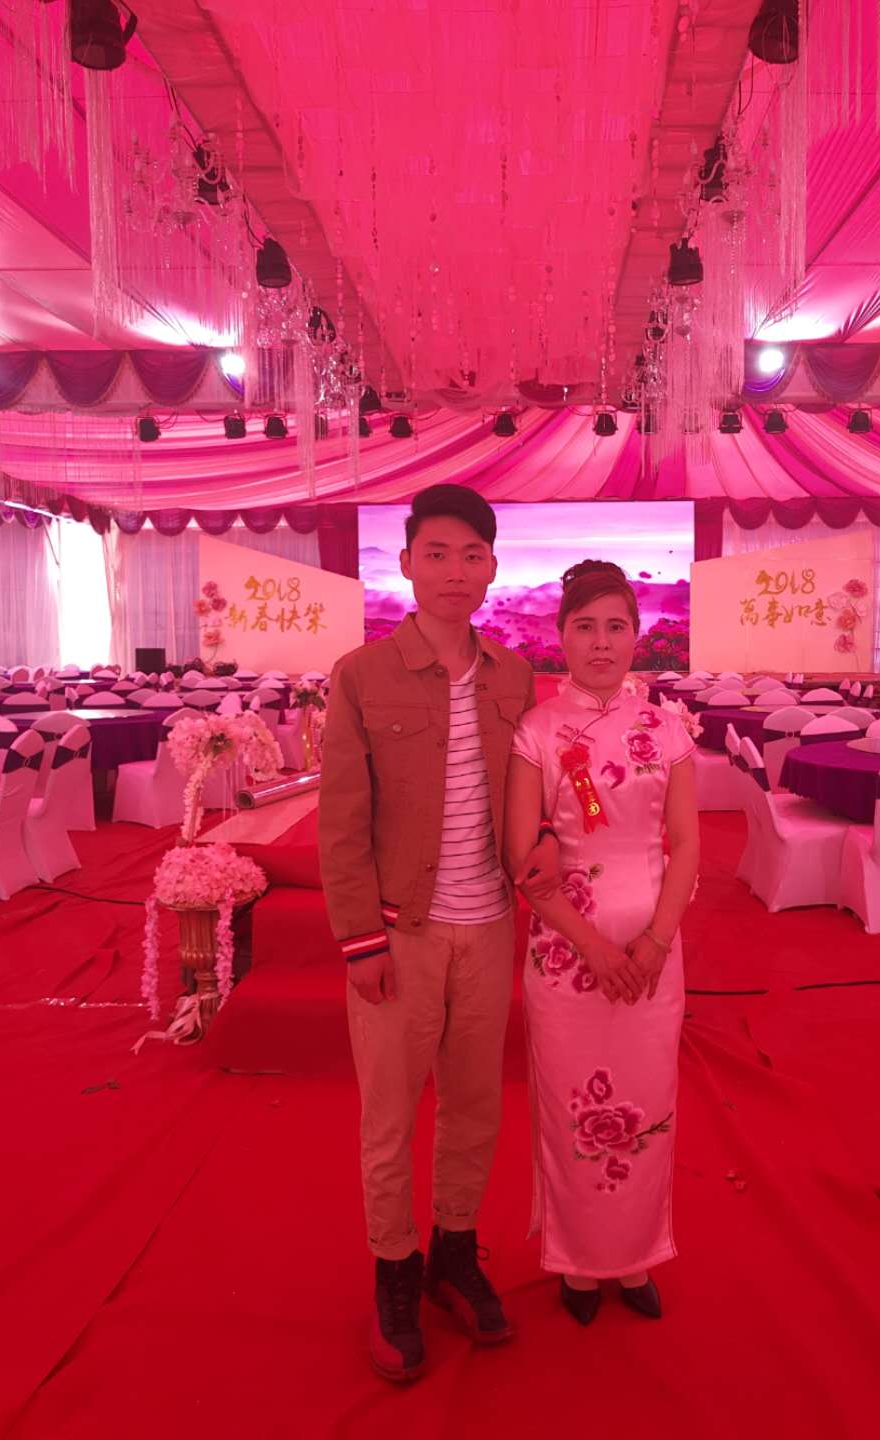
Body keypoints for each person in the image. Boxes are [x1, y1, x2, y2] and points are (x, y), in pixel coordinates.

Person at [319, 483, 559, 1382]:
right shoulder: (361, 675)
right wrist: (360, 941)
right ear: (407, 563)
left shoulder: (514, 677)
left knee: (474, 1106)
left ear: (491, 568)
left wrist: (546, 839)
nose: (455, 571)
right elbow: (341, 824)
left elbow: (531, 796)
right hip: (402, 934)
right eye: (437, 553)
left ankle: (455, 1252)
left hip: (489, 926)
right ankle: (395, 1269)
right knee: (388, 1117)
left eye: (472, 555)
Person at [504, 560, 699, 1324]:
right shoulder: (536, 731)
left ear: (637, 636)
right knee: (571, 1111)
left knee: (647, 1105)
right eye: (585, 626)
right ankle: (578, 1266)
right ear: (560, 635)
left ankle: (638, 1254)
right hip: (566, 954)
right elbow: (526, 860)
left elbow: (686, 845)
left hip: (653, 953)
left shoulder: (666, 727)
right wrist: (593, 947)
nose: (601, 642)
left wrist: (654, 942)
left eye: (616, 626)